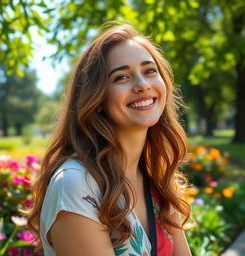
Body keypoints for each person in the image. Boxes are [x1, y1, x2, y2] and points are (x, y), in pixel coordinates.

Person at [27, 23, 195, 256]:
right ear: (96, 99)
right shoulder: (76, 185)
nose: (143, 85)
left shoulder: (157, 177)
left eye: (149, 71)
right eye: (121, 77)